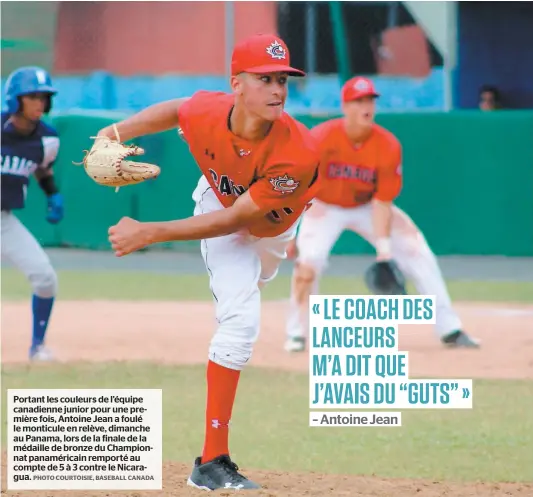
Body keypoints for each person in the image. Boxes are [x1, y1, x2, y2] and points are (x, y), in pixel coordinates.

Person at [96, 34, 320, 490]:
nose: (278, 89)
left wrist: (150, 231)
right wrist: (111, 134)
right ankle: (211, 461)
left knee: (250, 289)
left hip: (271, 232)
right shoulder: (208, 111)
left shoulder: (298, 151)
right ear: (236, 83)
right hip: (218, 213)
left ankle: (212, 459)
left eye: (282, 80)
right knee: (240, 322)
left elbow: (240, 218)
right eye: (265, 79)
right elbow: (177, 109)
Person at [284, 76, 480, 353]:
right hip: (323, 205)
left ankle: (450, 329)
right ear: (345, 106)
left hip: (367, 206)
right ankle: (297, 332)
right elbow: (300, 185)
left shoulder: (387, 145)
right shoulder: (321, 138)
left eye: (370, 101)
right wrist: (291, 232)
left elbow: (382, 202)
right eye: (359, 101)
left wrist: (384, 253)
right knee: (309, 262)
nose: (366, 107)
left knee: (415, 249)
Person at [1, 66, 64, 361]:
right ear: (16, 99)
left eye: (44, 97)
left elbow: (42, 168)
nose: (40, 103)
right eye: (33, 97)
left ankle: (37, 347)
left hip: (4, 221)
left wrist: (53, 194)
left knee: (45, 277)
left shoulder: (48, 140)